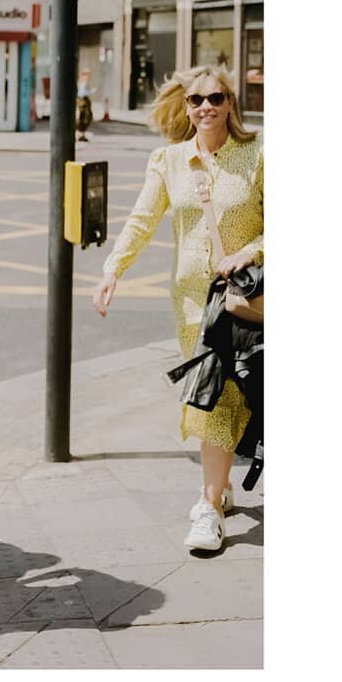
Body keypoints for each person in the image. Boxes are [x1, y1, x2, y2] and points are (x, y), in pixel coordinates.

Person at [93, 65, 263, 556]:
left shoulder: (257, 154)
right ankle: (213, 500)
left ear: (230, 103)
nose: (205, 107)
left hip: (244, 297)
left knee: (233, 392)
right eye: (195, 100)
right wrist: (113, 270)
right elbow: (143, 218)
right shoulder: (168, 160)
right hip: (192, 302)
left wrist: (248, 252)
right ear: (185, 107)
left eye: (214, 98)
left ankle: (210, 502)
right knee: (215, 393)